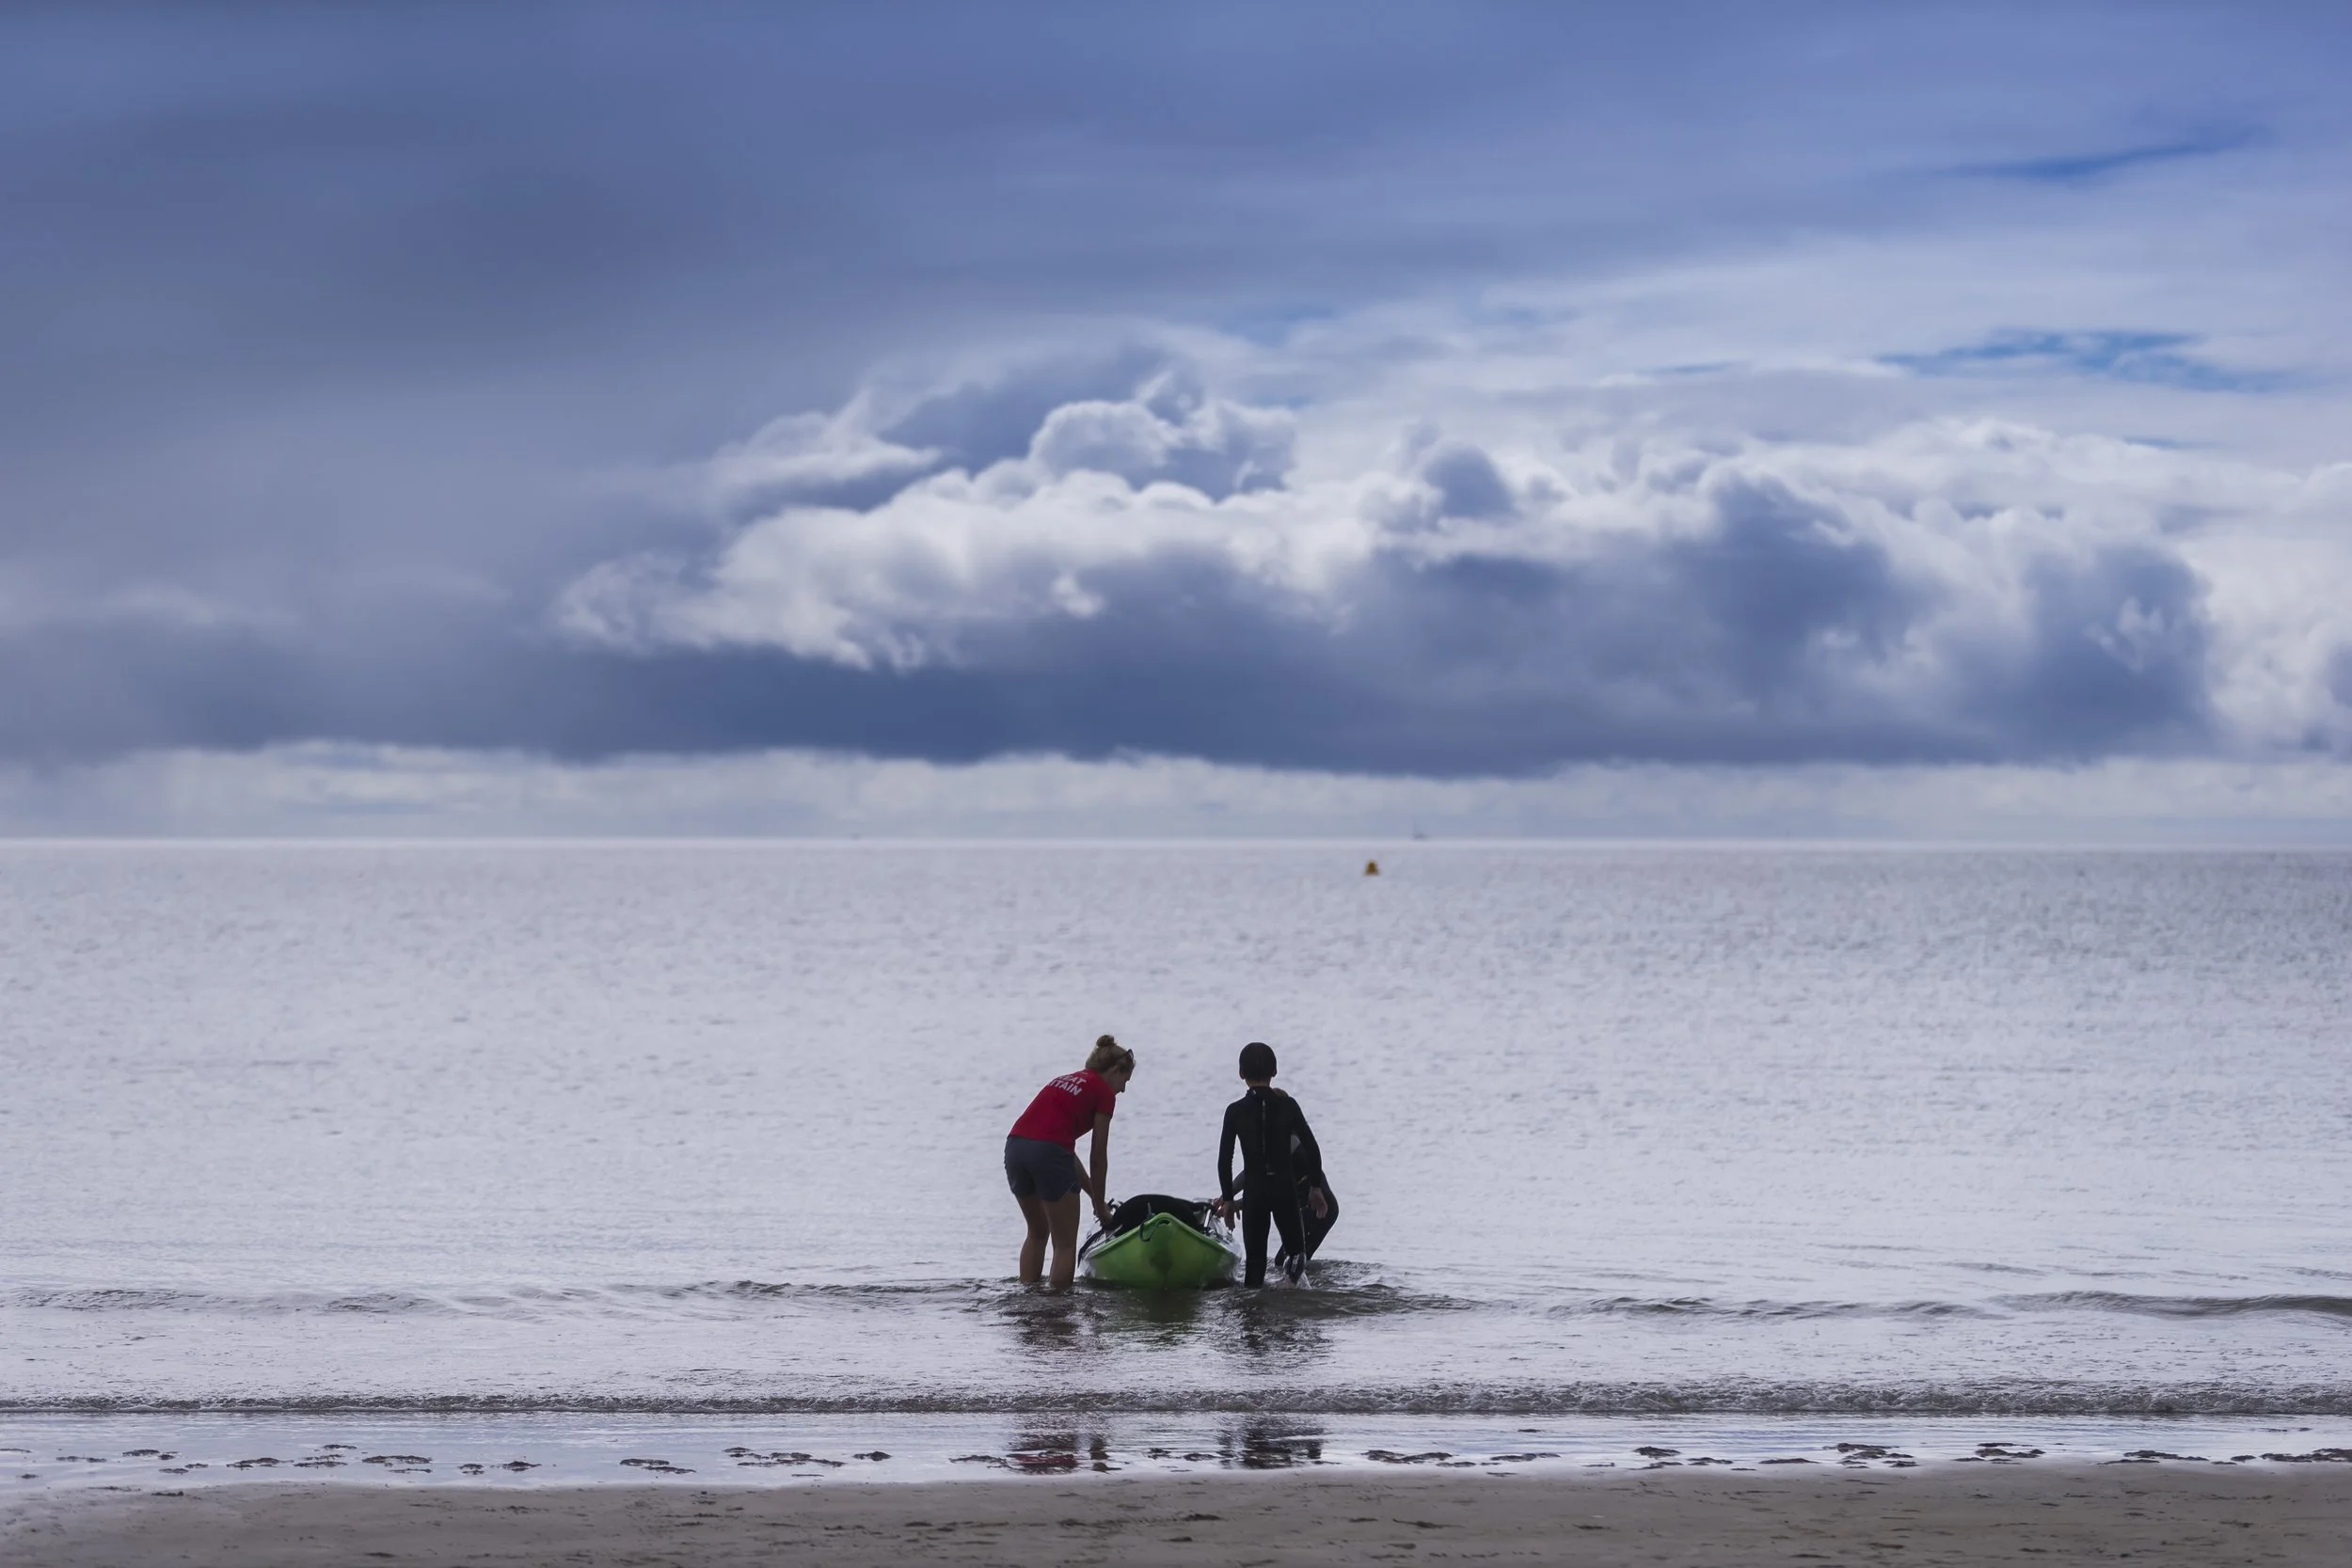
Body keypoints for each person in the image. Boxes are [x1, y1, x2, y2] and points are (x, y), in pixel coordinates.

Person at [1004, 1035, 1135, 1289]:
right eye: (1124, 1080)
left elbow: (1063, 1151)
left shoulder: (1065, 1080)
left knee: (1037, 1231)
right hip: (1048, 1152)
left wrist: (1093, 1197)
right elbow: (1098, 1156)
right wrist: (1100, 1206)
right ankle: (1057, 1308)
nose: (1123, 1089)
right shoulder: (1104, 1093)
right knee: (1064, 1244)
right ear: (1115, 1070)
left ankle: (1028, 1298)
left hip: (1016, 1147)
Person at [1212, 1040, 1330, 1287]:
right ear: (1274, 1071)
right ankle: (1289, 1301)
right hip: (1284, 1191)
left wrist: (1229, 1200)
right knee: (1297, 1254)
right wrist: (1316, 1188)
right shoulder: (1288, 1105)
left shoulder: (1234, 1111)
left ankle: (1253, 1316)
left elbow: (1225, 1160)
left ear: (1241, 1073)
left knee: (1254, 1266)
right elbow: (1311, 1147)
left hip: (1255, 1194)